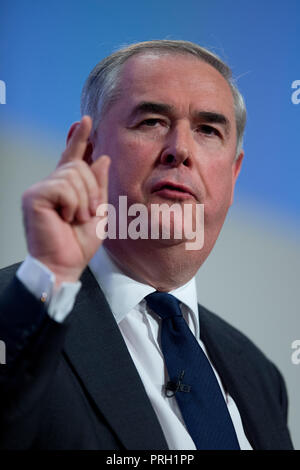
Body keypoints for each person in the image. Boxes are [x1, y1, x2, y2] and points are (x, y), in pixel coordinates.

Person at [0, 40, 294, 450]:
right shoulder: (13, 311)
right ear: (86, 152)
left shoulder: (260, 376)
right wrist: (48, 276)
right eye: (152, 121)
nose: (180, 150)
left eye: (208, 130)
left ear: (234, 173)